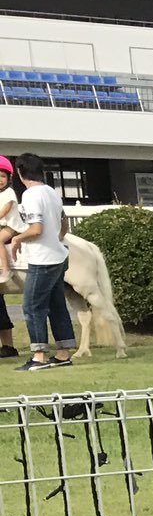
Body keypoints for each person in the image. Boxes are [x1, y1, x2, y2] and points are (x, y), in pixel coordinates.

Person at [0, 152, 75, 371]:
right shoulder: (52, 192)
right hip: (59, 256)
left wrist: (17, 238)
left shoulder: (31, 195)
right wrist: (55, 239)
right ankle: (63, 354)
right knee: (57, 306)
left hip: (43, 260)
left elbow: (36, 229)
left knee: (32, 306)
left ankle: (39, 357)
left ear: (20, 172)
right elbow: (64, 224)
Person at [0, 155, 19, 360]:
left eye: (2, 176)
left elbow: (5, 210)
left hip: (11, 227)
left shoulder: (9, 193)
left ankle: (5, 269)